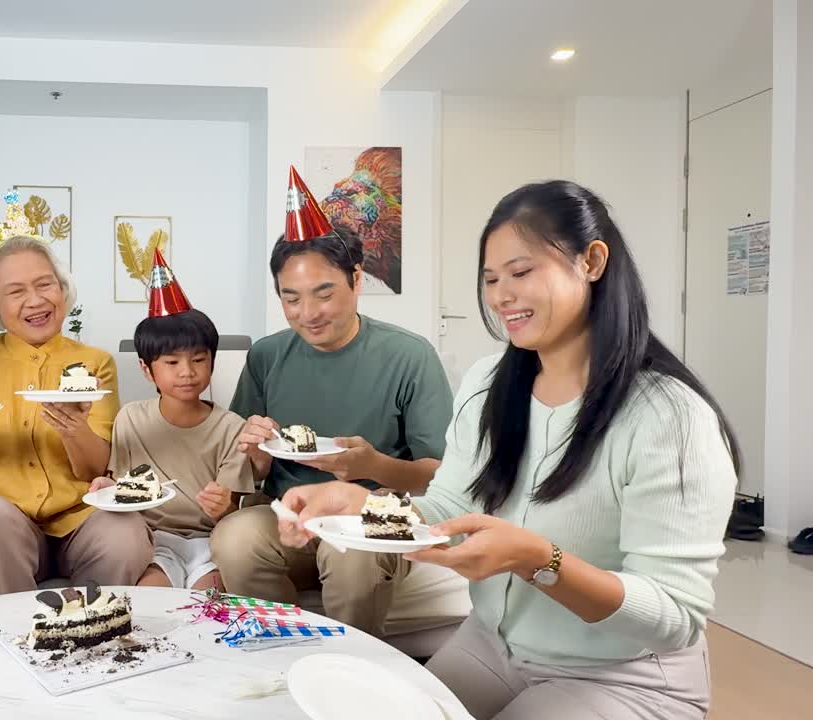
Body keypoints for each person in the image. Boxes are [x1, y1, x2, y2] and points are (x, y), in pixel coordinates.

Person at [280, 180, 737, 719]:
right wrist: (359, 505)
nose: (500, 296)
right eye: (491, 279)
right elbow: (447, 509)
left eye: (521, 273)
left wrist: (537, 560)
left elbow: (674, 617)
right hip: (495, 645)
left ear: (591, 261)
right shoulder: (488, 384)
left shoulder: (669, 417)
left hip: (624, 673)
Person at [211, 166, 468, 638]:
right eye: (291, 299)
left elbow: (442, 474)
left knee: (350, 558)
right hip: (288, 516)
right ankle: (281, 651)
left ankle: (349, 672)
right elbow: (249, 469)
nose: (307, 314)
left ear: (355, 278)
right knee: (234, 538)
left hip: (373, 514)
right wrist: (255, 454)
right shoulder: (267, 355)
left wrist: (373, 465)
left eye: (323, 293)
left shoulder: (409, 356)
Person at [0, 203, 152, 595]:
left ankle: (93, 629)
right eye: (15, 292)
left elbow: (96, 469)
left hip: (80, 518)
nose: (35, 301)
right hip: (5, 521)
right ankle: (18, 634)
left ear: (63, 290)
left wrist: (75, 430)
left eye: (45, 284)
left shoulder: (94, 362)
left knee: (126, 530)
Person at [88, 250, 254, 590]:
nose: (188, 373)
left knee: (207, 609)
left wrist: (224, 506)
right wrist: (107, 488)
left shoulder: (231, 427)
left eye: (198, 359)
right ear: (146, 369)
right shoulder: (131, 419)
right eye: (172, 363)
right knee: (150, 604)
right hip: (153, 543)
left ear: (212, 361)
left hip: (211, 544)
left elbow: (232, 510)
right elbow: (121, 488)